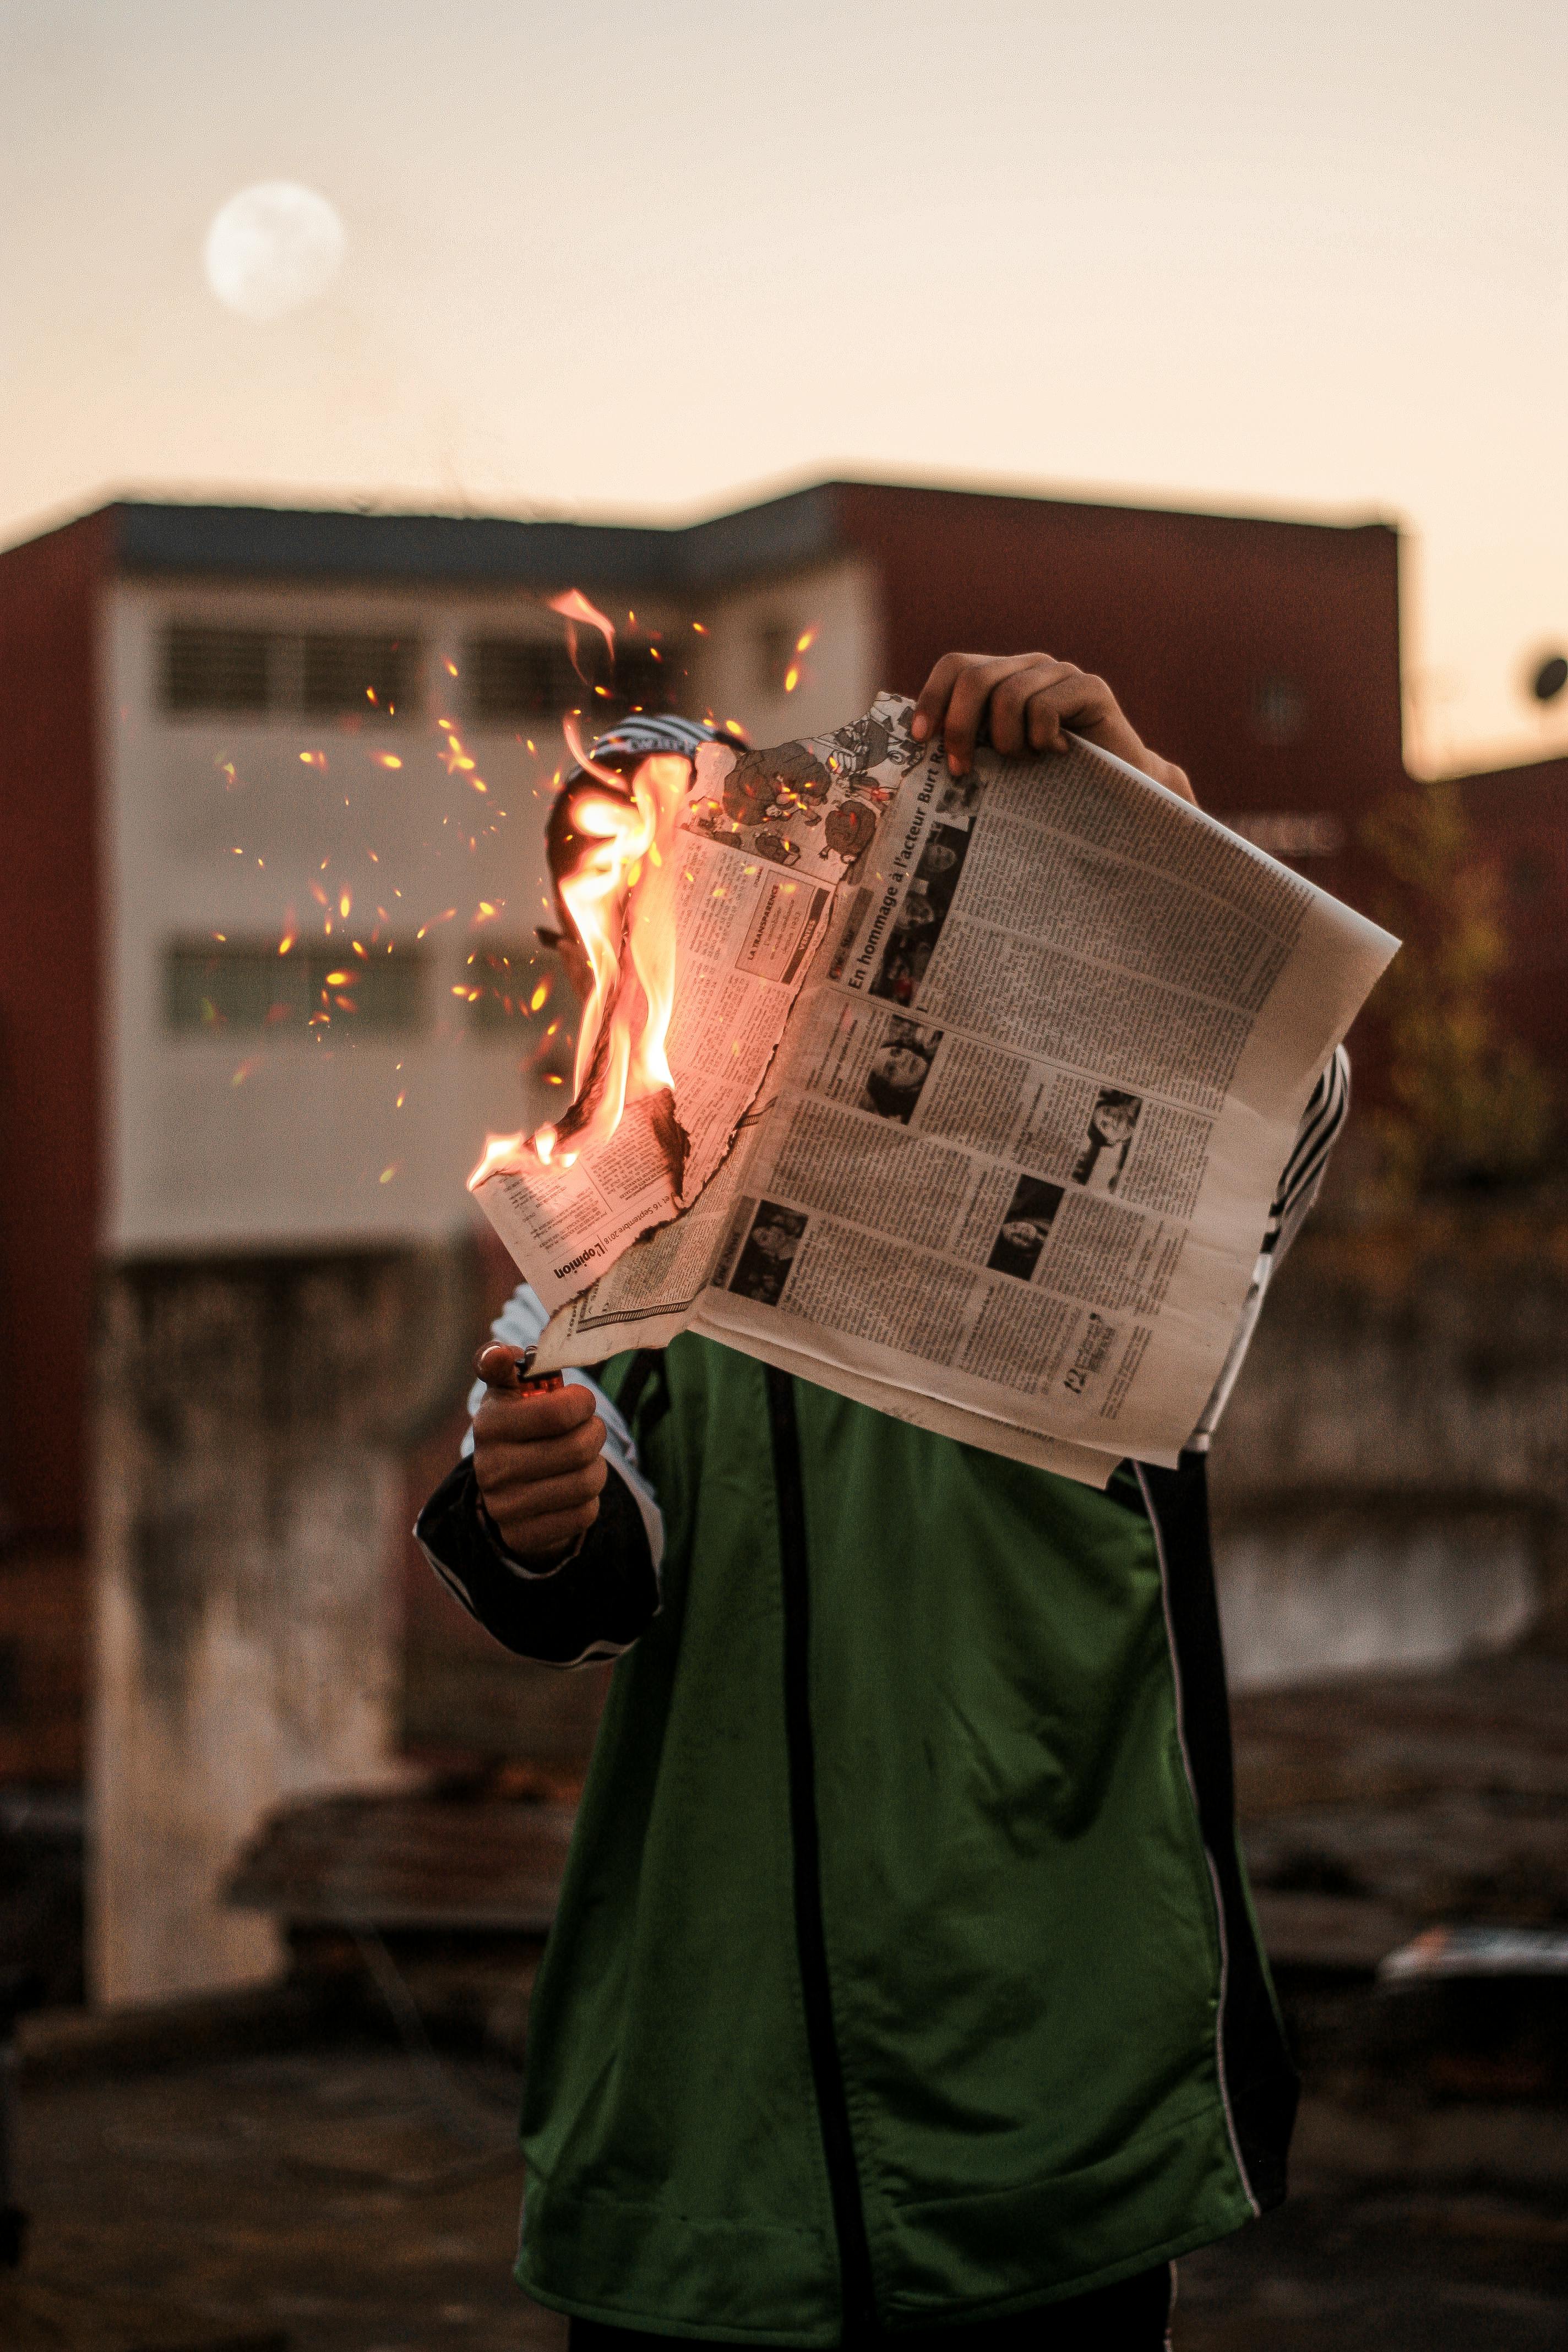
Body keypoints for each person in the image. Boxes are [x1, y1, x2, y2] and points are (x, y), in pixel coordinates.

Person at [416, 654, 1352, 2352]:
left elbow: (1280, 1131)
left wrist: (1157, 839)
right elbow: (594, 1569)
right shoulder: (603, 1227)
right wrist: (533, 1508)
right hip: (705, 2120)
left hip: (1040, 2068)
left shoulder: (1050, 1139)